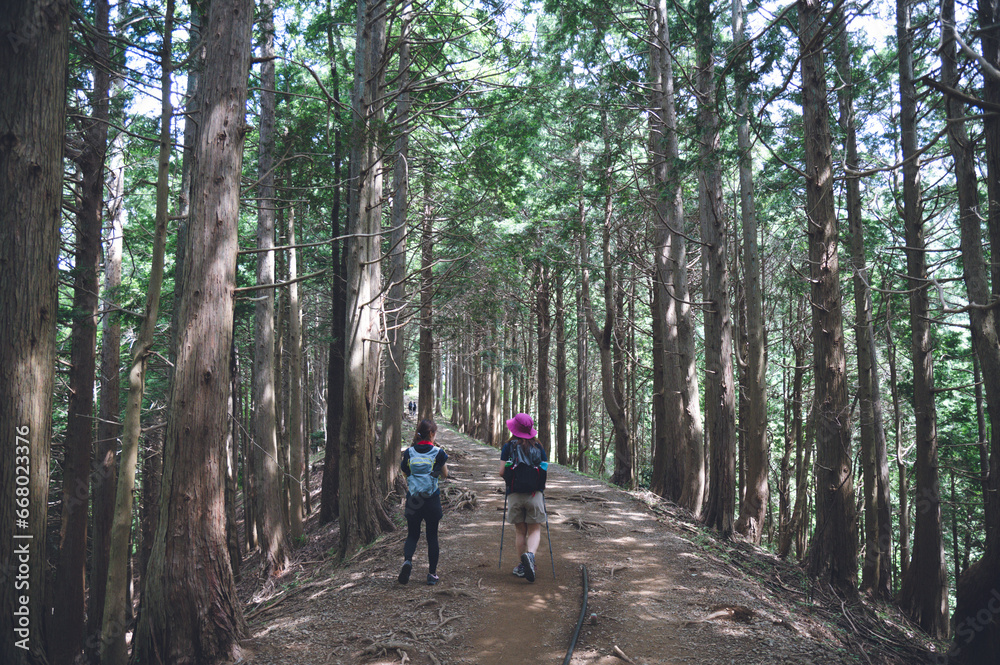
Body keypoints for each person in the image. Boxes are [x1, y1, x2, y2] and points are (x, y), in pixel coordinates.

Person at [499, 412, 547, 583]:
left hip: (514, 494)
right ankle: (531, 557)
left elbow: (501, 472)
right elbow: (544, 469)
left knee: (520, 531)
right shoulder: (538, 446)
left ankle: (522, 565)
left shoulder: (508, 446)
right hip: (535, 494)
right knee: (534, 529)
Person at [399, 419, 448, 585]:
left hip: (414, 499)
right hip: (431, 499)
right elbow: (445, 475)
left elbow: (405, 472)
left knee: (412, 534)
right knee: (432, 536)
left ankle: (407, 561)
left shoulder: (409, 452)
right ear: (432, 434)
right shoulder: (438, 453)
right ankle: (432, 574)